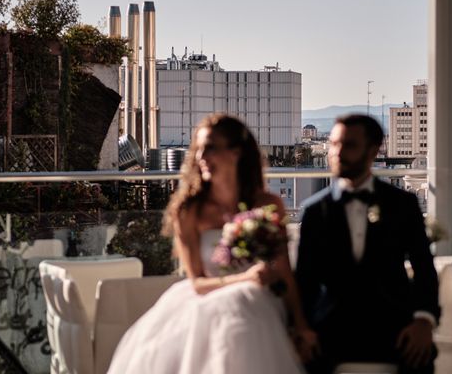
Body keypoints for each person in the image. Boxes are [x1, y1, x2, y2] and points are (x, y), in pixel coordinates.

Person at [108, 114, 317, 374]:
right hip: (206, 301)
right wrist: (246, 280)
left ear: (236, 153)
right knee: (236, 310)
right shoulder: (188, 211)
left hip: (261, 305)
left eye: (210, 148)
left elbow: (285, 272)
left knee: (246, 313)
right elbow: (196, 282)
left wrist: (300, 323)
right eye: (198, 149)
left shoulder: (267, 204)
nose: (200, 157)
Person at [296, 114, 440, 374]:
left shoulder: (402, 204)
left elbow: (424, 268)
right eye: (334, 144)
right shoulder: (315, 211)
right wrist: (303, 329)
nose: (337, 153)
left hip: (393, 322)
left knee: (420, 357)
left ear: (373, 150)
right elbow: (305, 280)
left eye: (349, 145)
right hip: (332, 326)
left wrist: (424, 320)